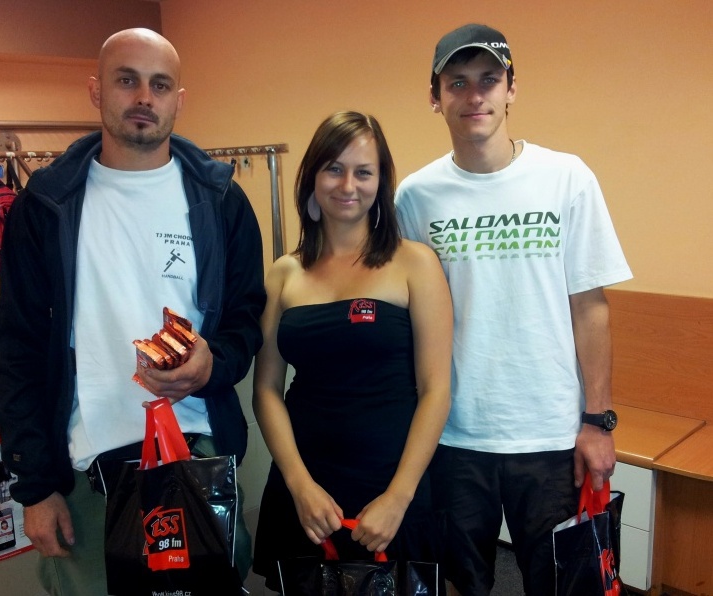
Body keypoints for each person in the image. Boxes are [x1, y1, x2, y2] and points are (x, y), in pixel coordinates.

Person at [0, 28, 265, 595]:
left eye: (159, 85)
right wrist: (35, 487)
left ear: (178, 100)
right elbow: (16, 349)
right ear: (96, 90)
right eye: (126, 80)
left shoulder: (221, 202)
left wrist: (213, 364)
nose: (143, 97)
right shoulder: (46, 206)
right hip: (87, 473)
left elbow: (246, 318)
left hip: (200, 456)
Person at [394, 23, 633, 595]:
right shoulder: (415, 196)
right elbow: (408, 319)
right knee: (460, 584)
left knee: (560, 583)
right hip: (453, 435)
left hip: (550, 435)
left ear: (511, 90)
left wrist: (597, 422)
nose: (474, 95)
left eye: (489, 79)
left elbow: (590, 308)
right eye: (457, 82)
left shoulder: (566, 178)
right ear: (435, 97)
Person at [251, 111, 453, 592]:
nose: (348, 185)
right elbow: (267, 390)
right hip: (306, 484)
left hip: (391, 483)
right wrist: (299, 485)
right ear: (312, 178)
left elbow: (436, 390)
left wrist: (398, 498)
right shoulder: (284, 273)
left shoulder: (414, 263)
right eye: (334, 169)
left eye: (364, 172)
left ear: (380, 183)